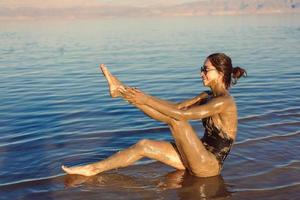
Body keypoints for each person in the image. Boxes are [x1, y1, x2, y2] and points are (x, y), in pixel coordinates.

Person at [62, 53, 247, 177]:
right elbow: (174, 108)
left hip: (208, 165)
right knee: (144, 145)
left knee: (178, 121)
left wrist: (146, 98)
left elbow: (181, 116)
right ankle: (93, 169)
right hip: (195, 157)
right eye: (202, 68)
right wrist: (137, 98)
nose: (201, 73)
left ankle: (121, 92)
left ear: (221, 73)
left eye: (205, 70)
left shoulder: (224, 101)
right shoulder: (206, 96)